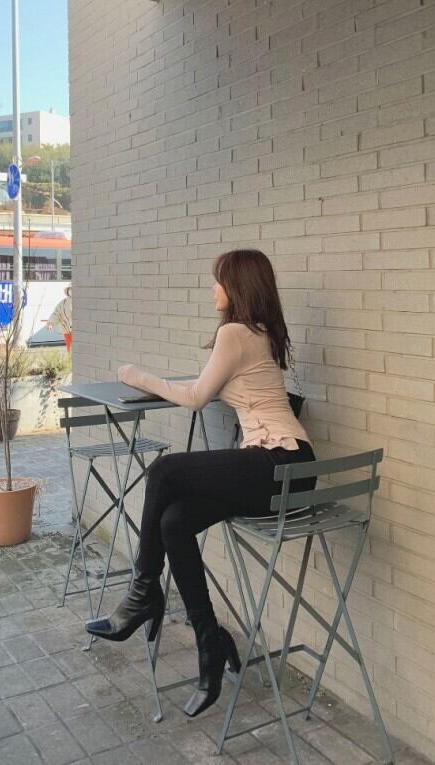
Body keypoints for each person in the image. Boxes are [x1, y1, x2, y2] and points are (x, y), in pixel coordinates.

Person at [85, 249, 315, 718]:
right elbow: (205, 386)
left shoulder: (236, 333)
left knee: (165, 471)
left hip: (278, 461)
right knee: (174, 521)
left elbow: (194, 396)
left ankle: (143, 593)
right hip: (290, 469)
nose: (213, 289)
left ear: (238, 287)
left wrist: (134, 374)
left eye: (219, 281)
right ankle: (210, 640)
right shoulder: (259, 333)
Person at [48, 285, 72, 352]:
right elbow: (56, 314)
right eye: (70, 289)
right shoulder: (63, 303)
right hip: (67, 331)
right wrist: (51, 323)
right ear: (67, 291)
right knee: (70, 349)